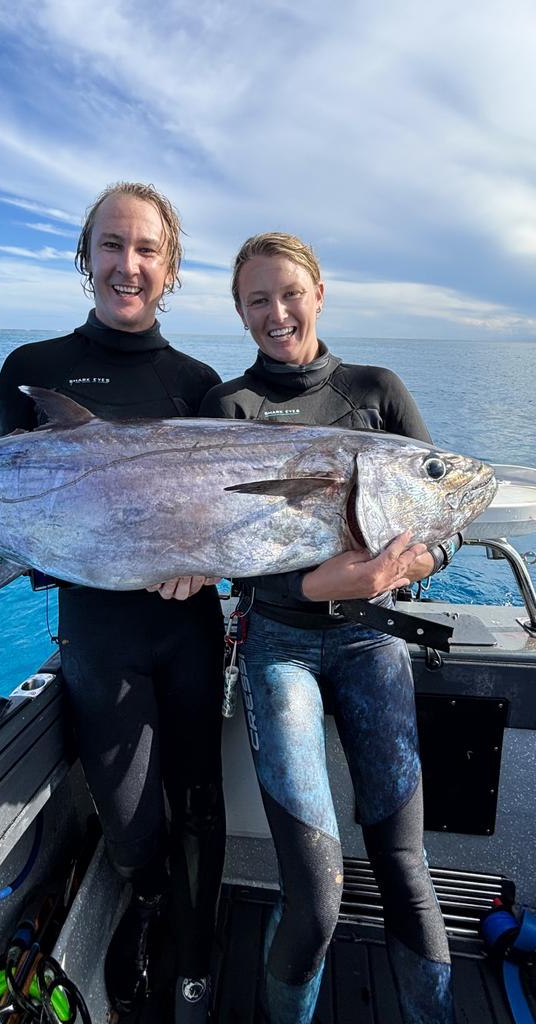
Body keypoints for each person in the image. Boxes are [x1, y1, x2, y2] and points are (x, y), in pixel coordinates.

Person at [0, 183, 226, 1023]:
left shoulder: (198, 383)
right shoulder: (32, 371)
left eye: (145, 250)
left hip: (186, 630)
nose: (126, 265)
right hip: (96, 632)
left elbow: (217, 518)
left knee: (199, 794)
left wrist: (206, 566)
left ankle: (197, 937)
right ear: (84, 255)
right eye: (110, 245)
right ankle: (143, 904)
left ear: (169, 268)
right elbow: (12, 499)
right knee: (129, 810)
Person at [200, 232, 460, 1024]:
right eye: (256, 300)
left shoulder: (375, 390)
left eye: (289, 293)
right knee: (314, 895)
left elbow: (446, 515)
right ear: (240, 312)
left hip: (372, 637)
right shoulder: (228, 408)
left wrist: (405, 568)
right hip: (278, 646)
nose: (277, 313)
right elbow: (219, 546)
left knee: (406, 870)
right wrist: (313, 582)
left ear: (319, 292)